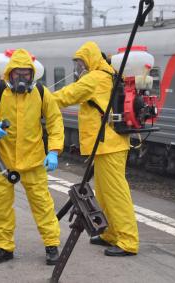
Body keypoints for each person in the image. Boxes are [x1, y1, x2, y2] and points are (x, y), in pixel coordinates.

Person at [0, 48, 64, 265]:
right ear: (10, 73)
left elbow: (55, 122)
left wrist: (53, 151)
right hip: (2, 161)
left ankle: (52, 245)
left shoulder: (41, 93)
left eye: (26, 75)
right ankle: (4, 247)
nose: (22, 79)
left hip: (33, 160)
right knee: (0, 206)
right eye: (17, 74)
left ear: (32, 75)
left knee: (43, 204)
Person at [52, 41, 139, 256]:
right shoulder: (109, 74)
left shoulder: (95, 78)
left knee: (116, 194)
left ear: (90, 60)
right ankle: (110, 233)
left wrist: (38, 100)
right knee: (104, 193)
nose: (79, 68)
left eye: (81, 63)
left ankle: (128, 241)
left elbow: (66, 96)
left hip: (109, 144)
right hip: (107, 144)